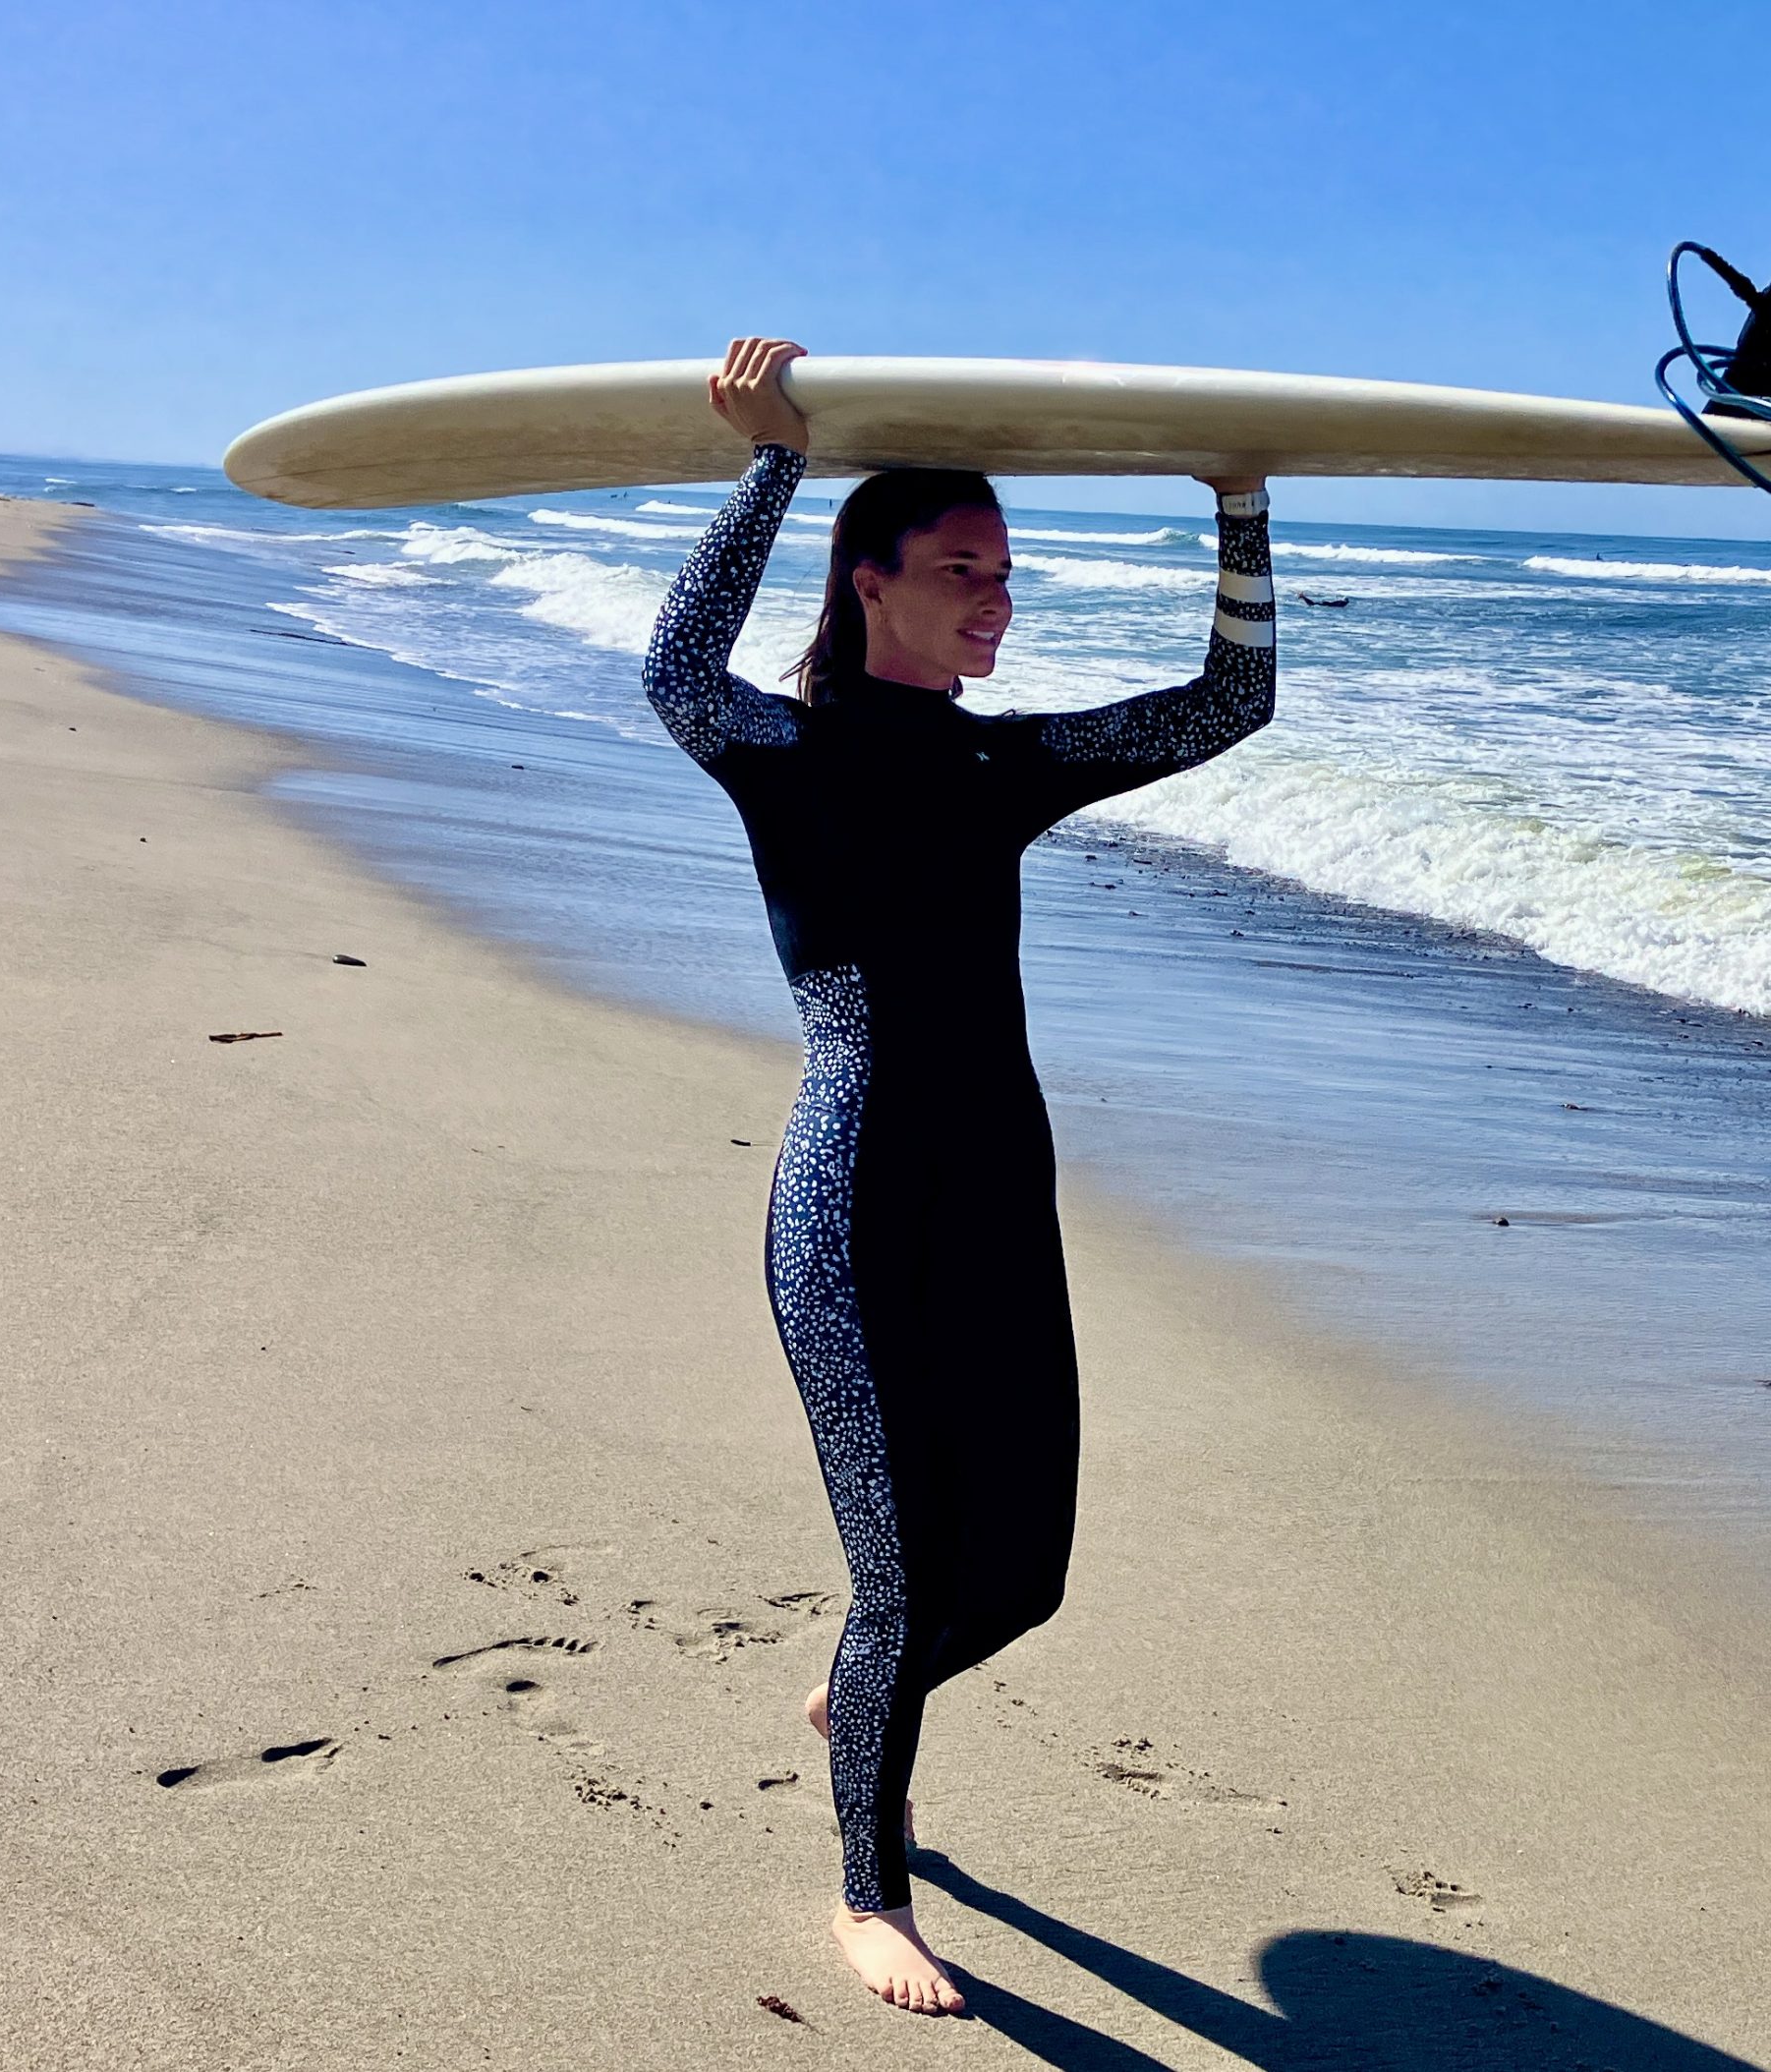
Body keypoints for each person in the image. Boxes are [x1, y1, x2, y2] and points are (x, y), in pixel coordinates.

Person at [644, 336, 1275, 2015]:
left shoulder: (1001, 766)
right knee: (905, 1575)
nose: (998, 600)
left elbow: (1232, 705)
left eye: (1006, 572)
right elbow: (674, 670)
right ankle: (870, 1892)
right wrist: (768, 461)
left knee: (1027, 1574)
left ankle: (864, 1690)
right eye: (961, 571)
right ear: (871, 583)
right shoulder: (777, 750)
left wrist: (1240, 505)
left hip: (999, 1189)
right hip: (849, 1202)